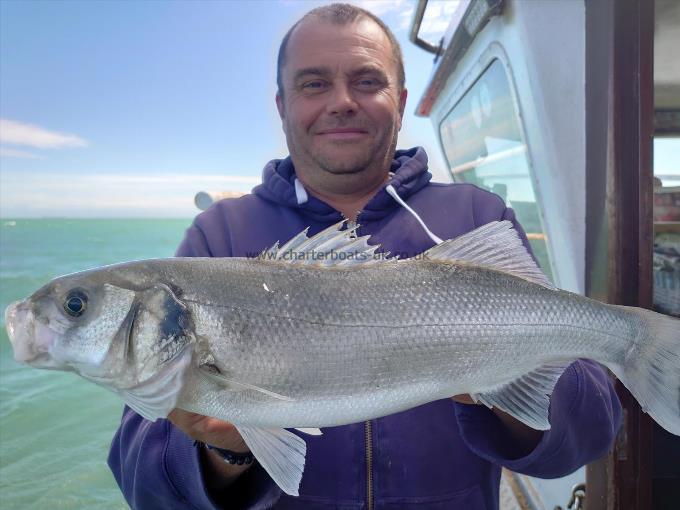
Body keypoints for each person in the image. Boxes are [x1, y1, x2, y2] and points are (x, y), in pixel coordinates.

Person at [108, 4, 622, 509]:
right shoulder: (219, 236)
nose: (342, 102)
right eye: (313, 84)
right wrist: (225, 448)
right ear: (283, 105)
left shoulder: (476, 216)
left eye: (367, 81)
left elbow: (589, 434)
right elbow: (146, 487)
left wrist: (501, 379)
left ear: (398, 101)